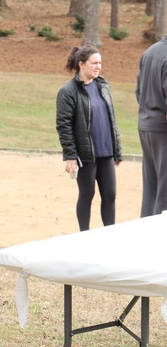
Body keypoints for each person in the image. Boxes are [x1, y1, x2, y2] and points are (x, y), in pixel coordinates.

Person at [55, 46, 122, 231]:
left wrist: (117, 150)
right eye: (94, 63)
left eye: (100, 63)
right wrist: (70, 155)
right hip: (85, 154)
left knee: (110, 195)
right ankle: (84, 235)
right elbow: (64, 126)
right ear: (81, 64)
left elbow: (112, 119)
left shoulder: (103, 86)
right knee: (87, 194)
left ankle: (110, 234)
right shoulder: (68, 91)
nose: (98, 66)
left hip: (106, 151)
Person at [136, 33, 167, 217]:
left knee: (151, 186)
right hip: (163, 128)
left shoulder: (149, 52)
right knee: (165, 188)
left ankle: (146, 228)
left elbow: (139, 91)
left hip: (146, 124)